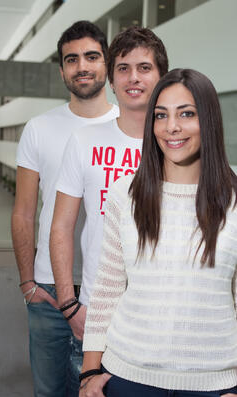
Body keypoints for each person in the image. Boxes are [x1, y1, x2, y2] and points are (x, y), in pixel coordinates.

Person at [80, 68, 237, 397]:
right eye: (161, 116)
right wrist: (89, 373)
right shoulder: (126, 194)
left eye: (187, 114)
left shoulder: (233, 198)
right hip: (128, 378)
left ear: (208, 119)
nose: (172, 127)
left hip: (214, 384)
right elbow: (107, 289)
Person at [49, 26, 168, 370]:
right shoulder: (83, 141)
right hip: (95, 319)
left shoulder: (176, 143)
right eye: (123, 68)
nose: (134, 77)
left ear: (161, 77)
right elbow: (61, 226)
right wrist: (71, 306)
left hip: (159, 322)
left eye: (144, 68)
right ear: (111, 81)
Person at [11, 20, 119, 397]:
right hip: (47, 293)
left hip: (111, 293)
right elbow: (24, 211)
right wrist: (27, 281)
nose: (82, 66)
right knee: (49, 392)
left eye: (91, 56)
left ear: (106, 62)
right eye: (71, 60)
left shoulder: (130, 127)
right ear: (61, 70)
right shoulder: (39, 128)